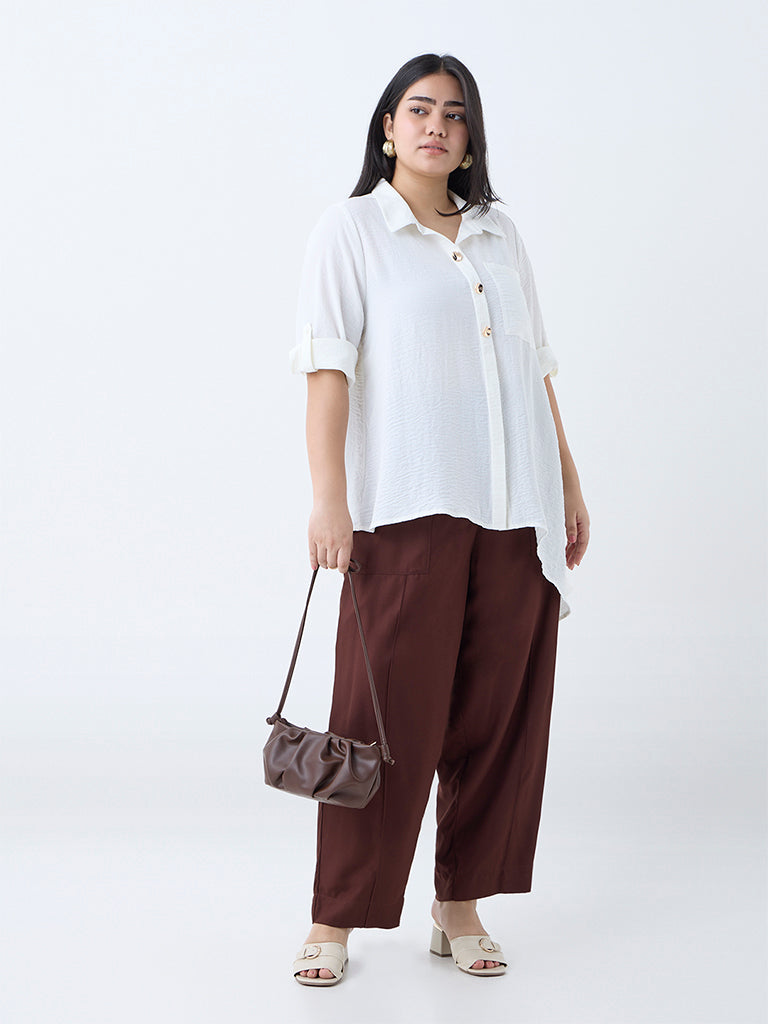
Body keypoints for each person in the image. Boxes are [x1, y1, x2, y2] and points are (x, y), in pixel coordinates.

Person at [286, 52, 590, 985]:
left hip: (516, 510)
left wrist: (568, 485)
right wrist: (329, 498)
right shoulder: (352, 230)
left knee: (498, 718)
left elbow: (536, 368)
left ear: (470, 137)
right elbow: (328, 369)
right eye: (418, 110)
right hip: (407, 504)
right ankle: (336, 916)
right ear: (388, 128)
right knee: (379, 718)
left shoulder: (499, 233)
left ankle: (459, 905)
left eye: (454, 114)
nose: (436, 126)